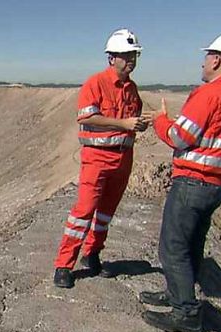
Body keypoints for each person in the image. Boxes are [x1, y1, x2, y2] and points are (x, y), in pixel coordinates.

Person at [140, 28, 221, 332]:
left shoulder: (209, 94)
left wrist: (161, 120)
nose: (204, 61)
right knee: (193, 241)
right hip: (219, 186)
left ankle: (185, 312)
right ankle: (176, 293)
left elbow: (180, 137)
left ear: (218, 60)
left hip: (194, 181)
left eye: (208, 56)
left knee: (173, 246)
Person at [53, 29, 150, 288]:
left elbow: (132, 119)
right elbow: (86, 117)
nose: (131, 60)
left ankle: (92, 253)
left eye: (134, 55)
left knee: (106, 213)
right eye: (126, 55)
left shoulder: (132, 89)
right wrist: (123, 123)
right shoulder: (95, 83)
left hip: (123, 159)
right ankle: (64, 265)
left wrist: (138, 125)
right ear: (111, 58)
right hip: (97, 159)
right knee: (83, 212)